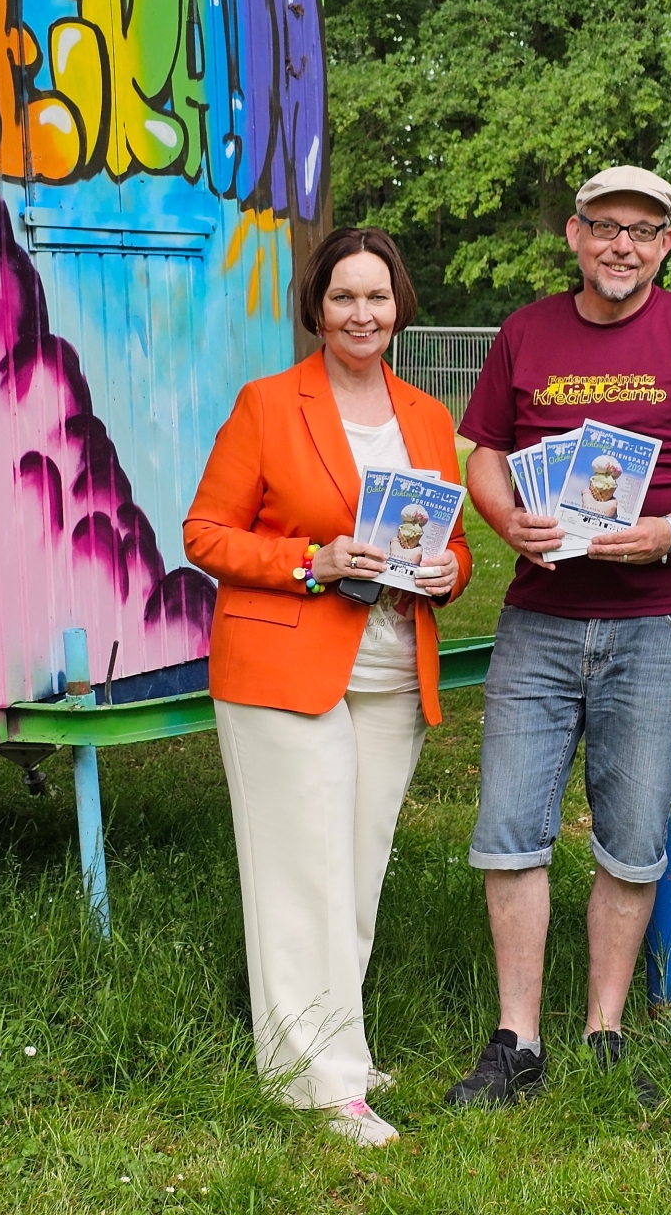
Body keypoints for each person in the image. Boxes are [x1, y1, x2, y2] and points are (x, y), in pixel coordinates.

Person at [448, 166, 671, 1105]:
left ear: (668, 244)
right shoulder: (525, 332)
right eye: (605, 226)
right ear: (575, 235)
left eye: (643, 230)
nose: (623, 244)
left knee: (631, 831)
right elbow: (483, 449)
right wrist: (508, 522)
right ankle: (517, 1042)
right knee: (510, 825)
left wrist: (666, 531)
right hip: (540, 618)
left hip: (659, 622)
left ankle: (606, 1030)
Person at [184, 228, 472, 1147]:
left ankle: (324, 1047)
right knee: (302, 873)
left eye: (377, 298)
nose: (362, 314)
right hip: (282, 666)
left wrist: (447, 574)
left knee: (354, 874)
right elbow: (204, 533)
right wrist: (315, 560)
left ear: (400, 307)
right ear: (317, 307)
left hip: (392, 669)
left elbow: (454, 542)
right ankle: (320, 1080)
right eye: (344, 298)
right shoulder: (268, 405)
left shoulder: (427, 415)